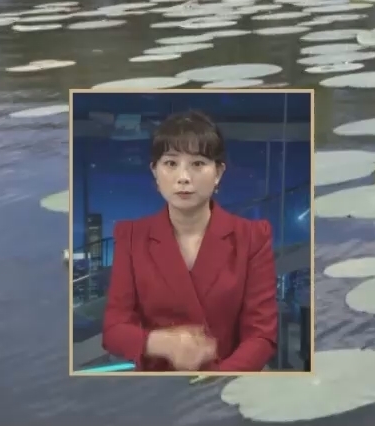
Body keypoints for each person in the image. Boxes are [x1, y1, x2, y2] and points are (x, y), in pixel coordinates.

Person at [99, 109, 280, 372]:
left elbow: (261, 337)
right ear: (155, 172)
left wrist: (215, 383)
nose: (183, 177)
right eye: (171, 163)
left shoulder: (252, 237)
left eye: (197, 164)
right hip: (157, 392)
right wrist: (159, 342)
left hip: (226, 383)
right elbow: (114, 331)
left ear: (218, 173)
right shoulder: (131, 236)